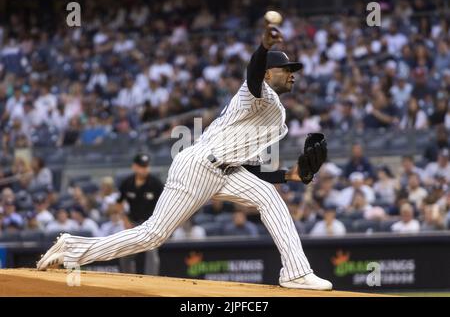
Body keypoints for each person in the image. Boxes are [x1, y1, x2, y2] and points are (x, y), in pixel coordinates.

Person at [37, 24, 332, 290]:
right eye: (286, 69)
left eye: (294, 69)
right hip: (199, 165)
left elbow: (250, 169)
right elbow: (253, 75)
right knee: (152, 235)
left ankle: (296, 271)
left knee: (269, 197)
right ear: (269, 74)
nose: (293, 73)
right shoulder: (256, 92)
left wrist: (288, 176)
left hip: (226, 171)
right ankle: (73, 248)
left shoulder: (278, 117)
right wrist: (263, 48)